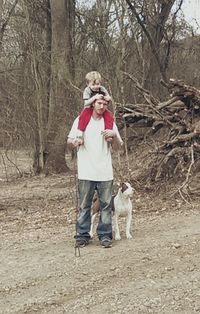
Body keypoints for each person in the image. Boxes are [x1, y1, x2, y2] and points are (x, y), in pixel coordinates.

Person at [67, 97, 123, 248]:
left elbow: (118, 148)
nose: (102, 106)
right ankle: (82, 235)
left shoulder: (109, 122)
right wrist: (75, 142)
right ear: (93, 104)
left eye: (105, 104)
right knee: (84, 205)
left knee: (106, 206)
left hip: (105, 171)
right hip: (86, 170)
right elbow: (69, 140)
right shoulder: (81, 119)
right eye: (99, 103)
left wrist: (114, 136)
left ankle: (105, 236)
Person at [77, 71, 114, 143]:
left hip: (101, 107)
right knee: (83, 116)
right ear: (88, 84)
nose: (96, 86)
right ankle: (80, 134)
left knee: (109, 116)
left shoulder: (102, 89)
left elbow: (108, 96)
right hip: (89, 108)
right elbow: (86, 103)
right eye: (93, 84)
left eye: (98, 84)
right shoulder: (87, 90)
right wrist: (94, 98)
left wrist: (108, 98)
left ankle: (108, 134)